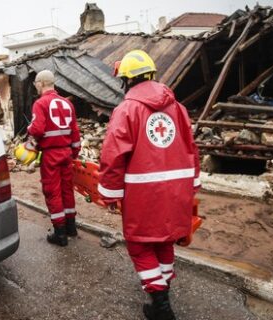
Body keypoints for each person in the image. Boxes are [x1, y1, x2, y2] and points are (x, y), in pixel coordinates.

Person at [98, 50, 201, 320]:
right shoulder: (177, 108)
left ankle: (162, 305)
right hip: (177, 189)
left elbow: (112, 155)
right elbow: (192, 148)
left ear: (127, 80)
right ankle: (162, 294)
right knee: (164, 239)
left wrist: (109, 194)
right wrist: (194, 185)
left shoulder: (126, 109)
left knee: (140, 245)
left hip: (144, 194)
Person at [27, 70, 81, 247]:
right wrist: (73, 153)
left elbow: (37, 129)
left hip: (51, 155)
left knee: (53, 192)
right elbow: (75, 133)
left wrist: (29, 130)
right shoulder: (67, 103)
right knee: (67, 190)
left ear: (41, 83)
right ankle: (71, 228)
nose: (36, 87)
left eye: (36, 84)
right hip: (66, 153)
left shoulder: (40, 104)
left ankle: (60, 234)